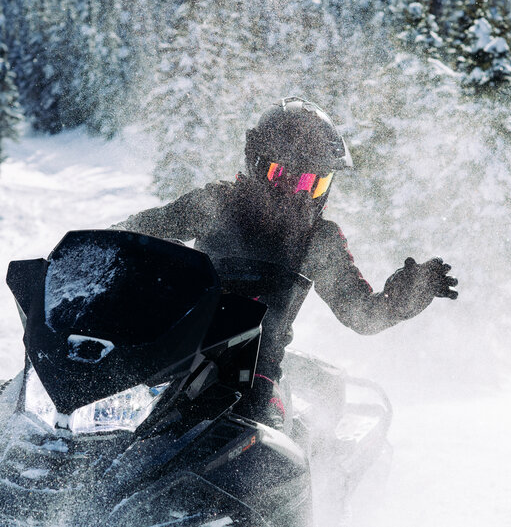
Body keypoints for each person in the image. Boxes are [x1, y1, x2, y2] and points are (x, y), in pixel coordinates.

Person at [114, 96, 458, 428]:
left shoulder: (319, 240)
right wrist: (122, 260)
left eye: (313, 183)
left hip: (256, 377)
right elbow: (130, 235)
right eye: (283, 176)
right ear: (256, 163)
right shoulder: (215, 204)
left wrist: (403, 298)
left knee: (262, 443)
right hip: (178, 358)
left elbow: (362, 314)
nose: (298, 193)